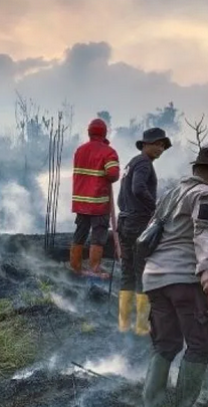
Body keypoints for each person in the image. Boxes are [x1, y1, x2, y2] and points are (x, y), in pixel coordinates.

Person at [139, 146, 208, 407]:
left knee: (165, 343)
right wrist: (206, 268)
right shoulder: (207, 194)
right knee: (200, 344)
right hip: (183, 278)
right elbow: (205, 230)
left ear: (195, 169)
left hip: (154, 277)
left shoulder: (171, 193)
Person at [116, 127, 172, 334]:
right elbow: (138, 189)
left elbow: (125, 194)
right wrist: (155, 207)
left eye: (163, 145)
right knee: (142, 272)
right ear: (146, 144)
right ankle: (141, 326)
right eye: (157, 144)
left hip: (125, 222)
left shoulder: (133, 162)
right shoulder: (144, 164)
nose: (161, 148)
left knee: (127, 271)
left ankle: (123, 324)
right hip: (138, 224)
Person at [69, 118, 121, 277]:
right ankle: (95, 269)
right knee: (98, 235)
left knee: (80, 232)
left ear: (89, 132)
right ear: (104, 133)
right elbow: (113, 174)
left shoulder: (80, 150)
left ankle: (75, 266)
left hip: (81, 201)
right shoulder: (108, 152)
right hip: (98, 203)